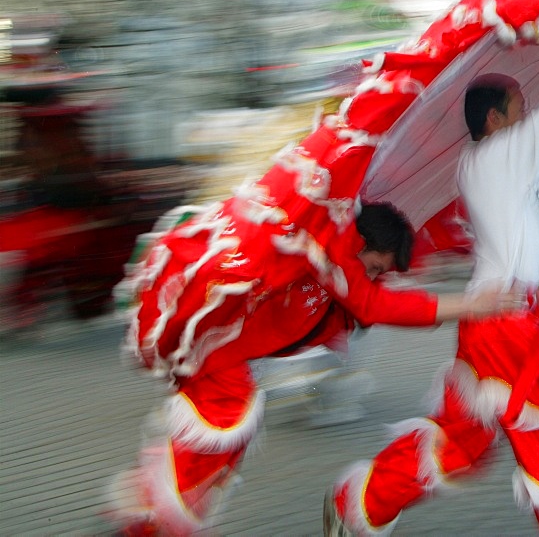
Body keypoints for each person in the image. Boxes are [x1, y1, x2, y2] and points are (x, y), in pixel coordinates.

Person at [325, 26, 539, 536]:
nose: (528, 115)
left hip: (493, 318)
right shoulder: (499, 156)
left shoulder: (486, 162)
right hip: (508, 321)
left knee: (463, 442)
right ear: (495, 120)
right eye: (520, 108)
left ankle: (364, 499)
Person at [107, 186, 516, 535]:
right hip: (212, 349)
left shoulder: (341, 283)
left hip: (224, 355)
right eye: (373, 267)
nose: (373, 278)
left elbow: (371, 302)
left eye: (380, 273)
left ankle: (147, 512)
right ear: (357, 245)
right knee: (224, 424)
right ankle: (150, 515)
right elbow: (376, 306)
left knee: (224, 450)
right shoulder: (325, 255)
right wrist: (470, 305)